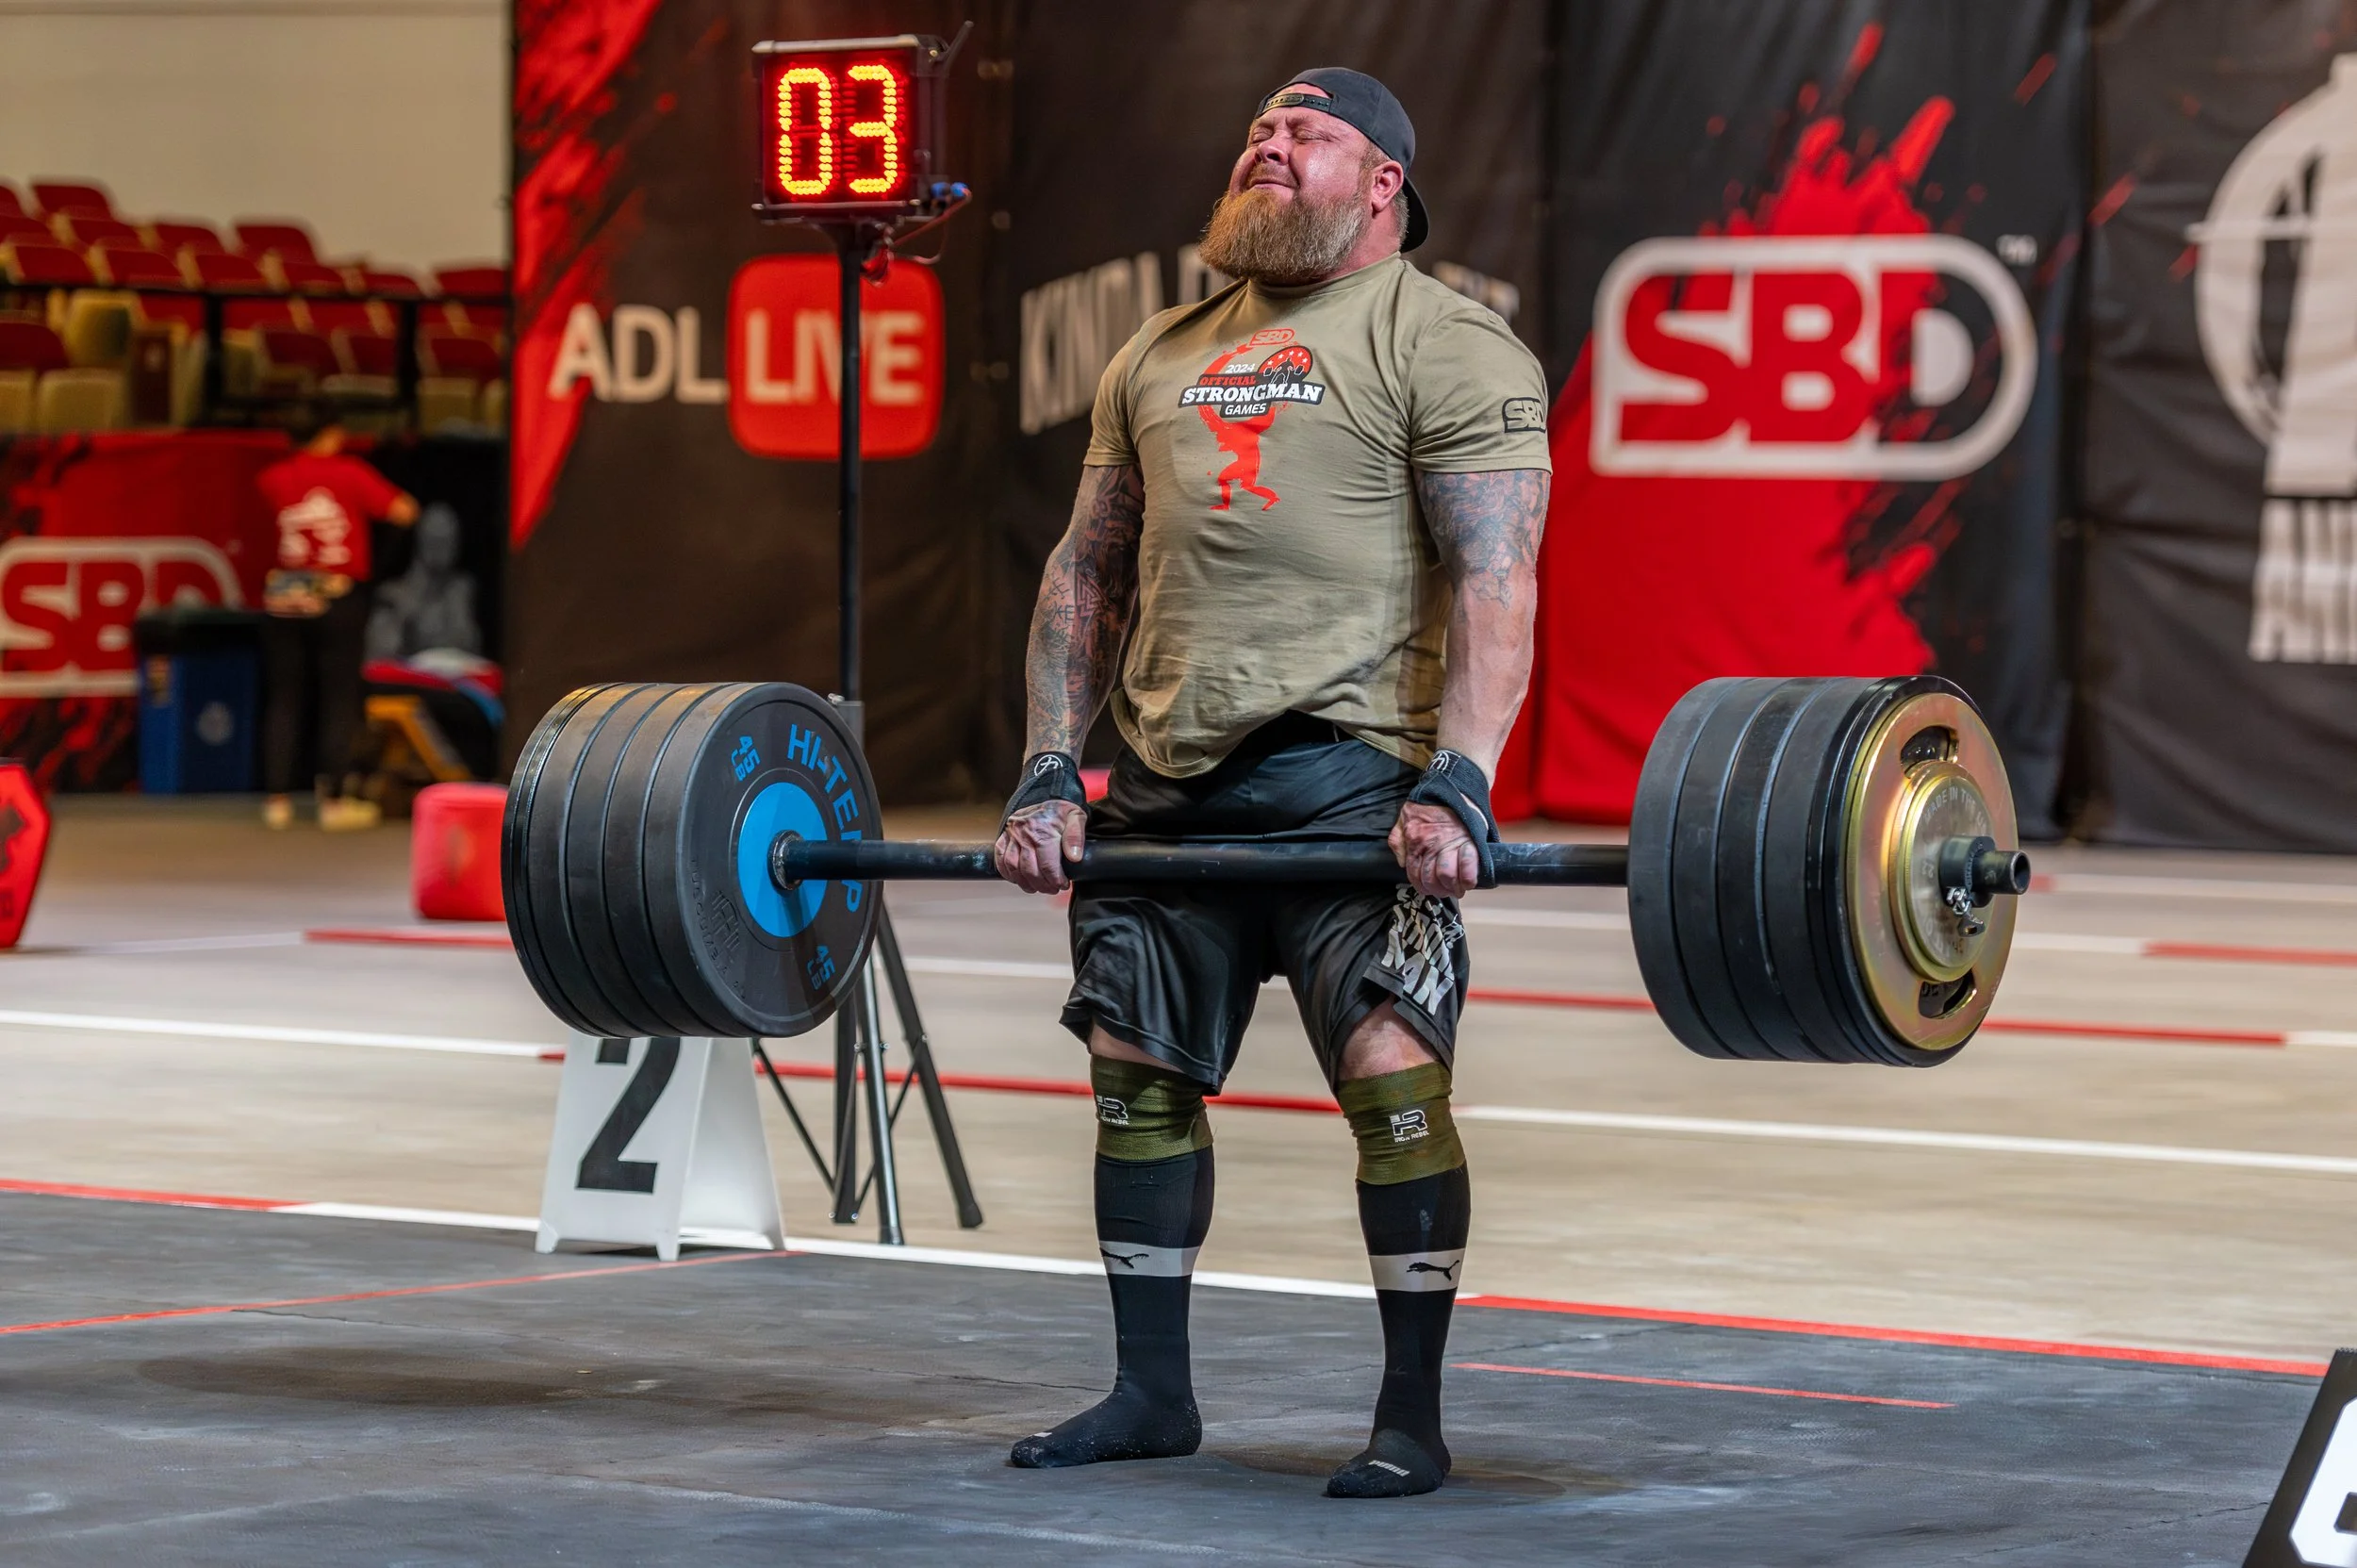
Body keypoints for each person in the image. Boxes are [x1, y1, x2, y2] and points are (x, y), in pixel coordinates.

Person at [993, 68, 1551, 1498]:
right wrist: (1052, 766)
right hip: (1167, 778)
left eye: (1305, 134)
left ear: (1384, 183)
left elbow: (1498, 576)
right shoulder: (1161, 349)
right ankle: (1148, 1391)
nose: (1267, 145)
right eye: (1259, 129)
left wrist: (1463, 784)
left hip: (1350, 776)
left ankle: (1411, 1417)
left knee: (1391, 1079)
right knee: (1136, 1080)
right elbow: (1086, 569)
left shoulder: (1449, 342)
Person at [254, 406, 418, 830]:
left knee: (284, 696)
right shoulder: (349, 473)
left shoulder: (272, 478)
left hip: (284, 598)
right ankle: (334, 801)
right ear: (329, 434)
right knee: (340, 697)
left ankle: (277, 801)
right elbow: (404, 511)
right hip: (338, 595)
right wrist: (379, 564)